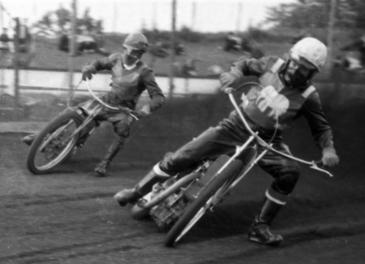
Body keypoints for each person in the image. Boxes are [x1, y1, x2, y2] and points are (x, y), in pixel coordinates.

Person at [114, 37, 340, 246]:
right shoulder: (271, 63)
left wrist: (328, 148)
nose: (299, 72)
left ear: (312, 73)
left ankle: (259, 228)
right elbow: (243, 65)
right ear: (290, 57)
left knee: (290, 173)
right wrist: (233, 75)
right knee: (183, 156)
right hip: (235, 126)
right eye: (297, 64)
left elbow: (321, 126)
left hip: (266, 142)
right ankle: (136, 192)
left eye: (306, 70)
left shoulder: (309, 95)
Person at [22, 32, 165, 177]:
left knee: (123, 129)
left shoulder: (145, 72)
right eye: (134, 50)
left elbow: (158, 97)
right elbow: (99, 63)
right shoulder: (116, 58)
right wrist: (90, 68)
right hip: (107, 99)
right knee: (74, 112)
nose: (136, 54)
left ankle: (104, 163)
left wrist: (145, 109)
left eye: (140, 52)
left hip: (123, 109)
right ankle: (41, 136)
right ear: (125, 47)